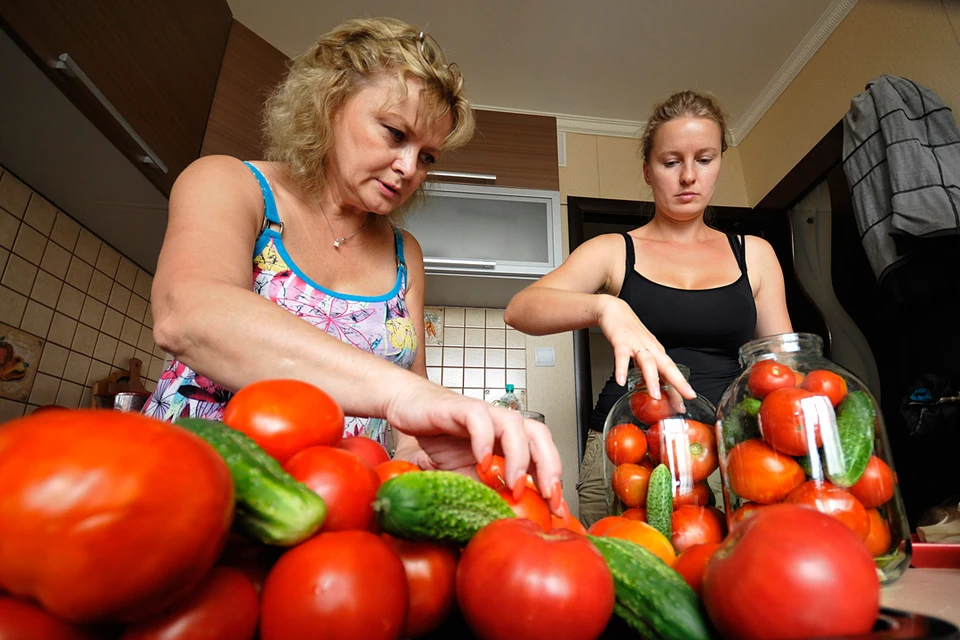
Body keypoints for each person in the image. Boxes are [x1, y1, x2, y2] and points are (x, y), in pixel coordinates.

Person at [142, 17, 563, 512]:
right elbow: (188, 315)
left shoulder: (406, 253)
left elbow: (411, 407)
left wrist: (417, 453)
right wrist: (401, 395)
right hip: (191, 486)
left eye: (427, 156)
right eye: (394, 133)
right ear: (329, 104)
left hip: (339, 501)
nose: (409, 169)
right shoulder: (231, 184)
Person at [504, 90, 793, 525]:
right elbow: (521, 309)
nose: (689, 177)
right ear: (648, 170)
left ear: (720, 163)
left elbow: (780, 368)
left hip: (723, 451)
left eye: (705, 159)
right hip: (626, 450)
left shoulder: (755, 254)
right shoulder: (612, 250)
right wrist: (604, 308)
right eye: (672, 161)